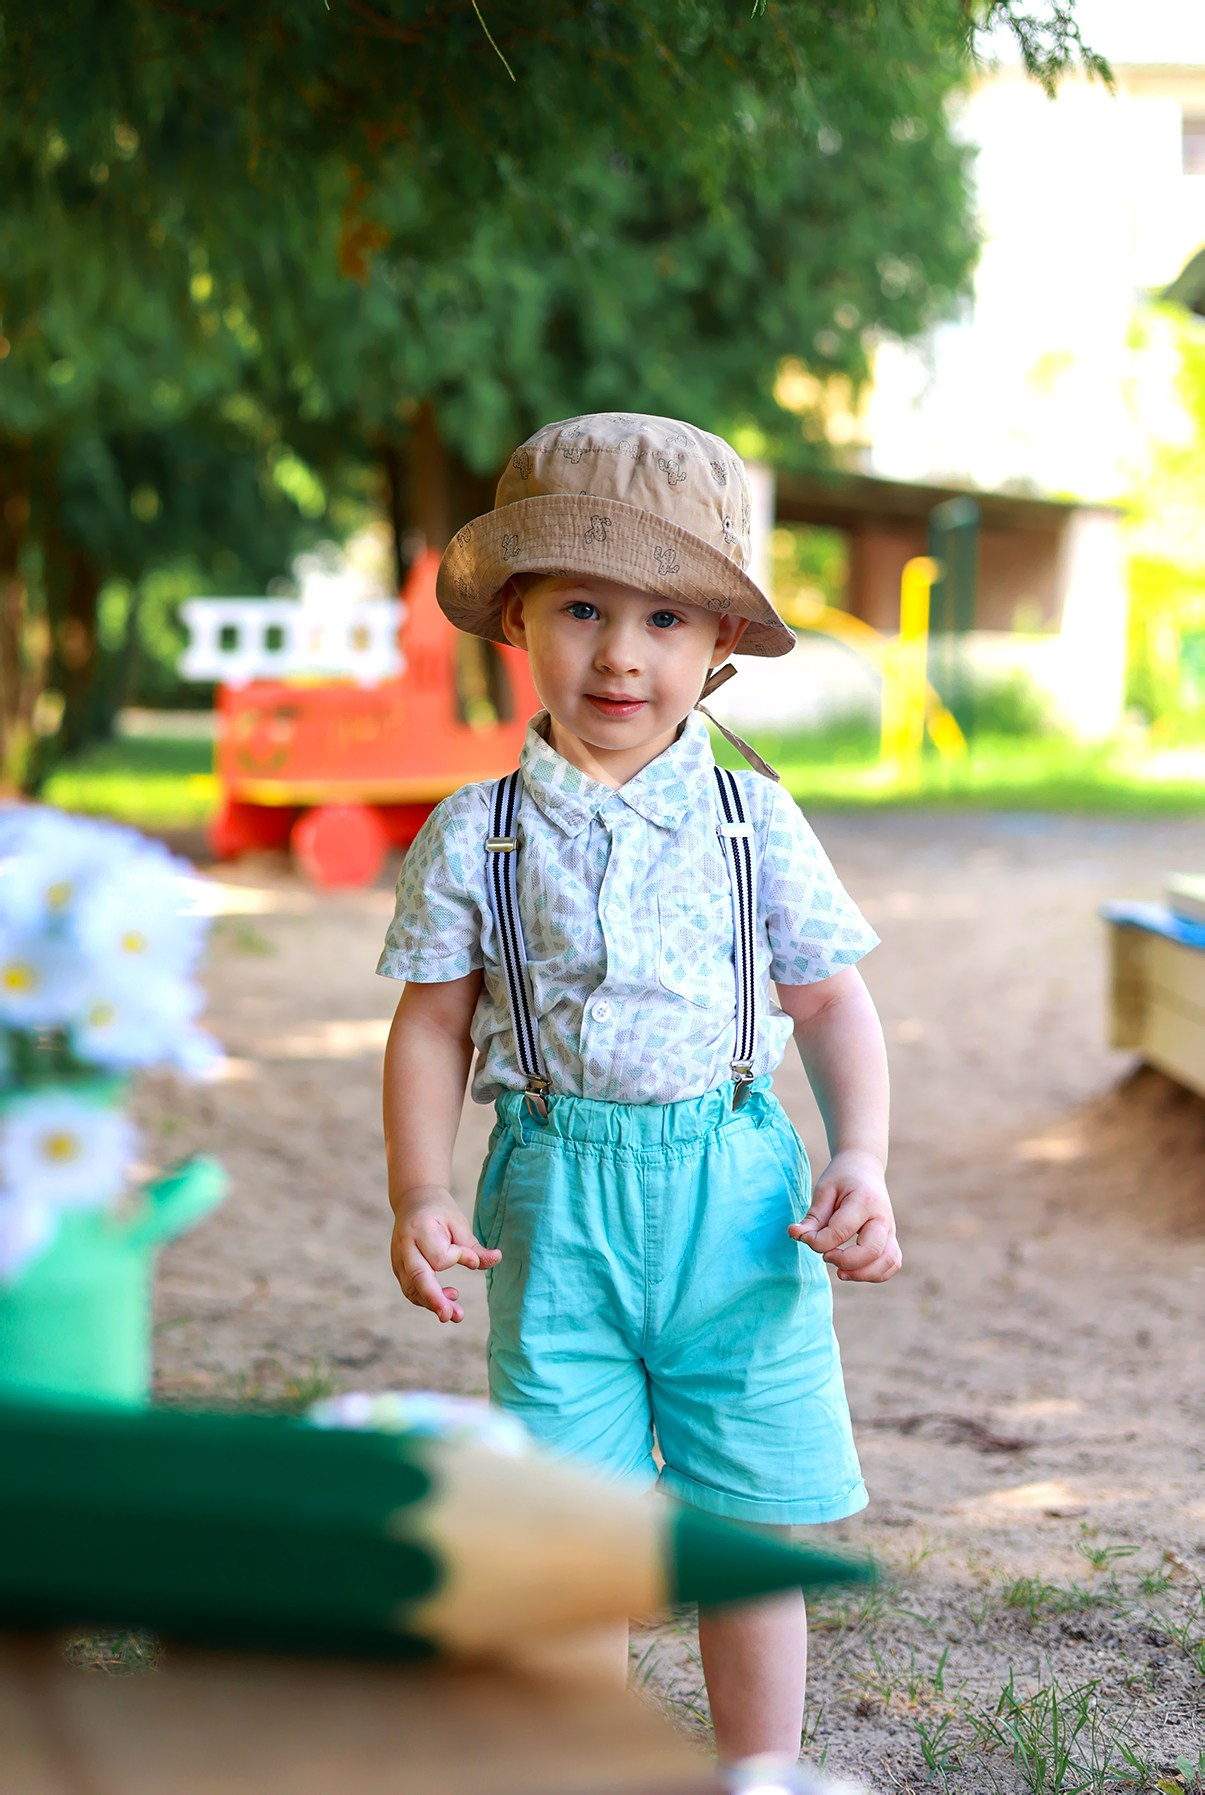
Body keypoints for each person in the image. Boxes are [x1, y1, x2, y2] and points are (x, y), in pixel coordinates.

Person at [379, 412, 900, 1772]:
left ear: (718, 645)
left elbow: (831, 998)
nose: (620, 652)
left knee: (739, 1531)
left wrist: (862, 1160)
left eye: (666, 616)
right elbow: (432, 1026)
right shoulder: (473, 831)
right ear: (515, 621)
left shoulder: (753, 821)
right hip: (553, 1207)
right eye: (581, 609)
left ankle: (757, 1769)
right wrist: (421, 1187)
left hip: (736, 1206)